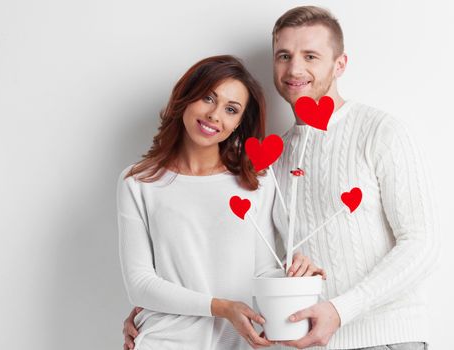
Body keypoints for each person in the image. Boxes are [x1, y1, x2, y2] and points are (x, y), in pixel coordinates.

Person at [123, 6, 439, 350]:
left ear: (340, 64)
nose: (295, 69)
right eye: (284, 55)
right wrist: (154, 311)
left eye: (311, 56)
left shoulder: (381, 132)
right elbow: (259, 260)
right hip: (304, 342)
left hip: (385, 339)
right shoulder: (271, 160)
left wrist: (340, 310)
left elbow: (422, 245)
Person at [117, 55, 324, 350]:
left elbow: (262, 271)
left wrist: (297, 277)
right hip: (164, 341)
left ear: (240, 123)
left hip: (236, 343)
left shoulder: (257, 182)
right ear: (185, 98)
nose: (215, 115)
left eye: (231, 109)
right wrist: (221, 307)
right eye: (207, 98)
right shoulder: (138, 182)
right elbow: (140, 285)